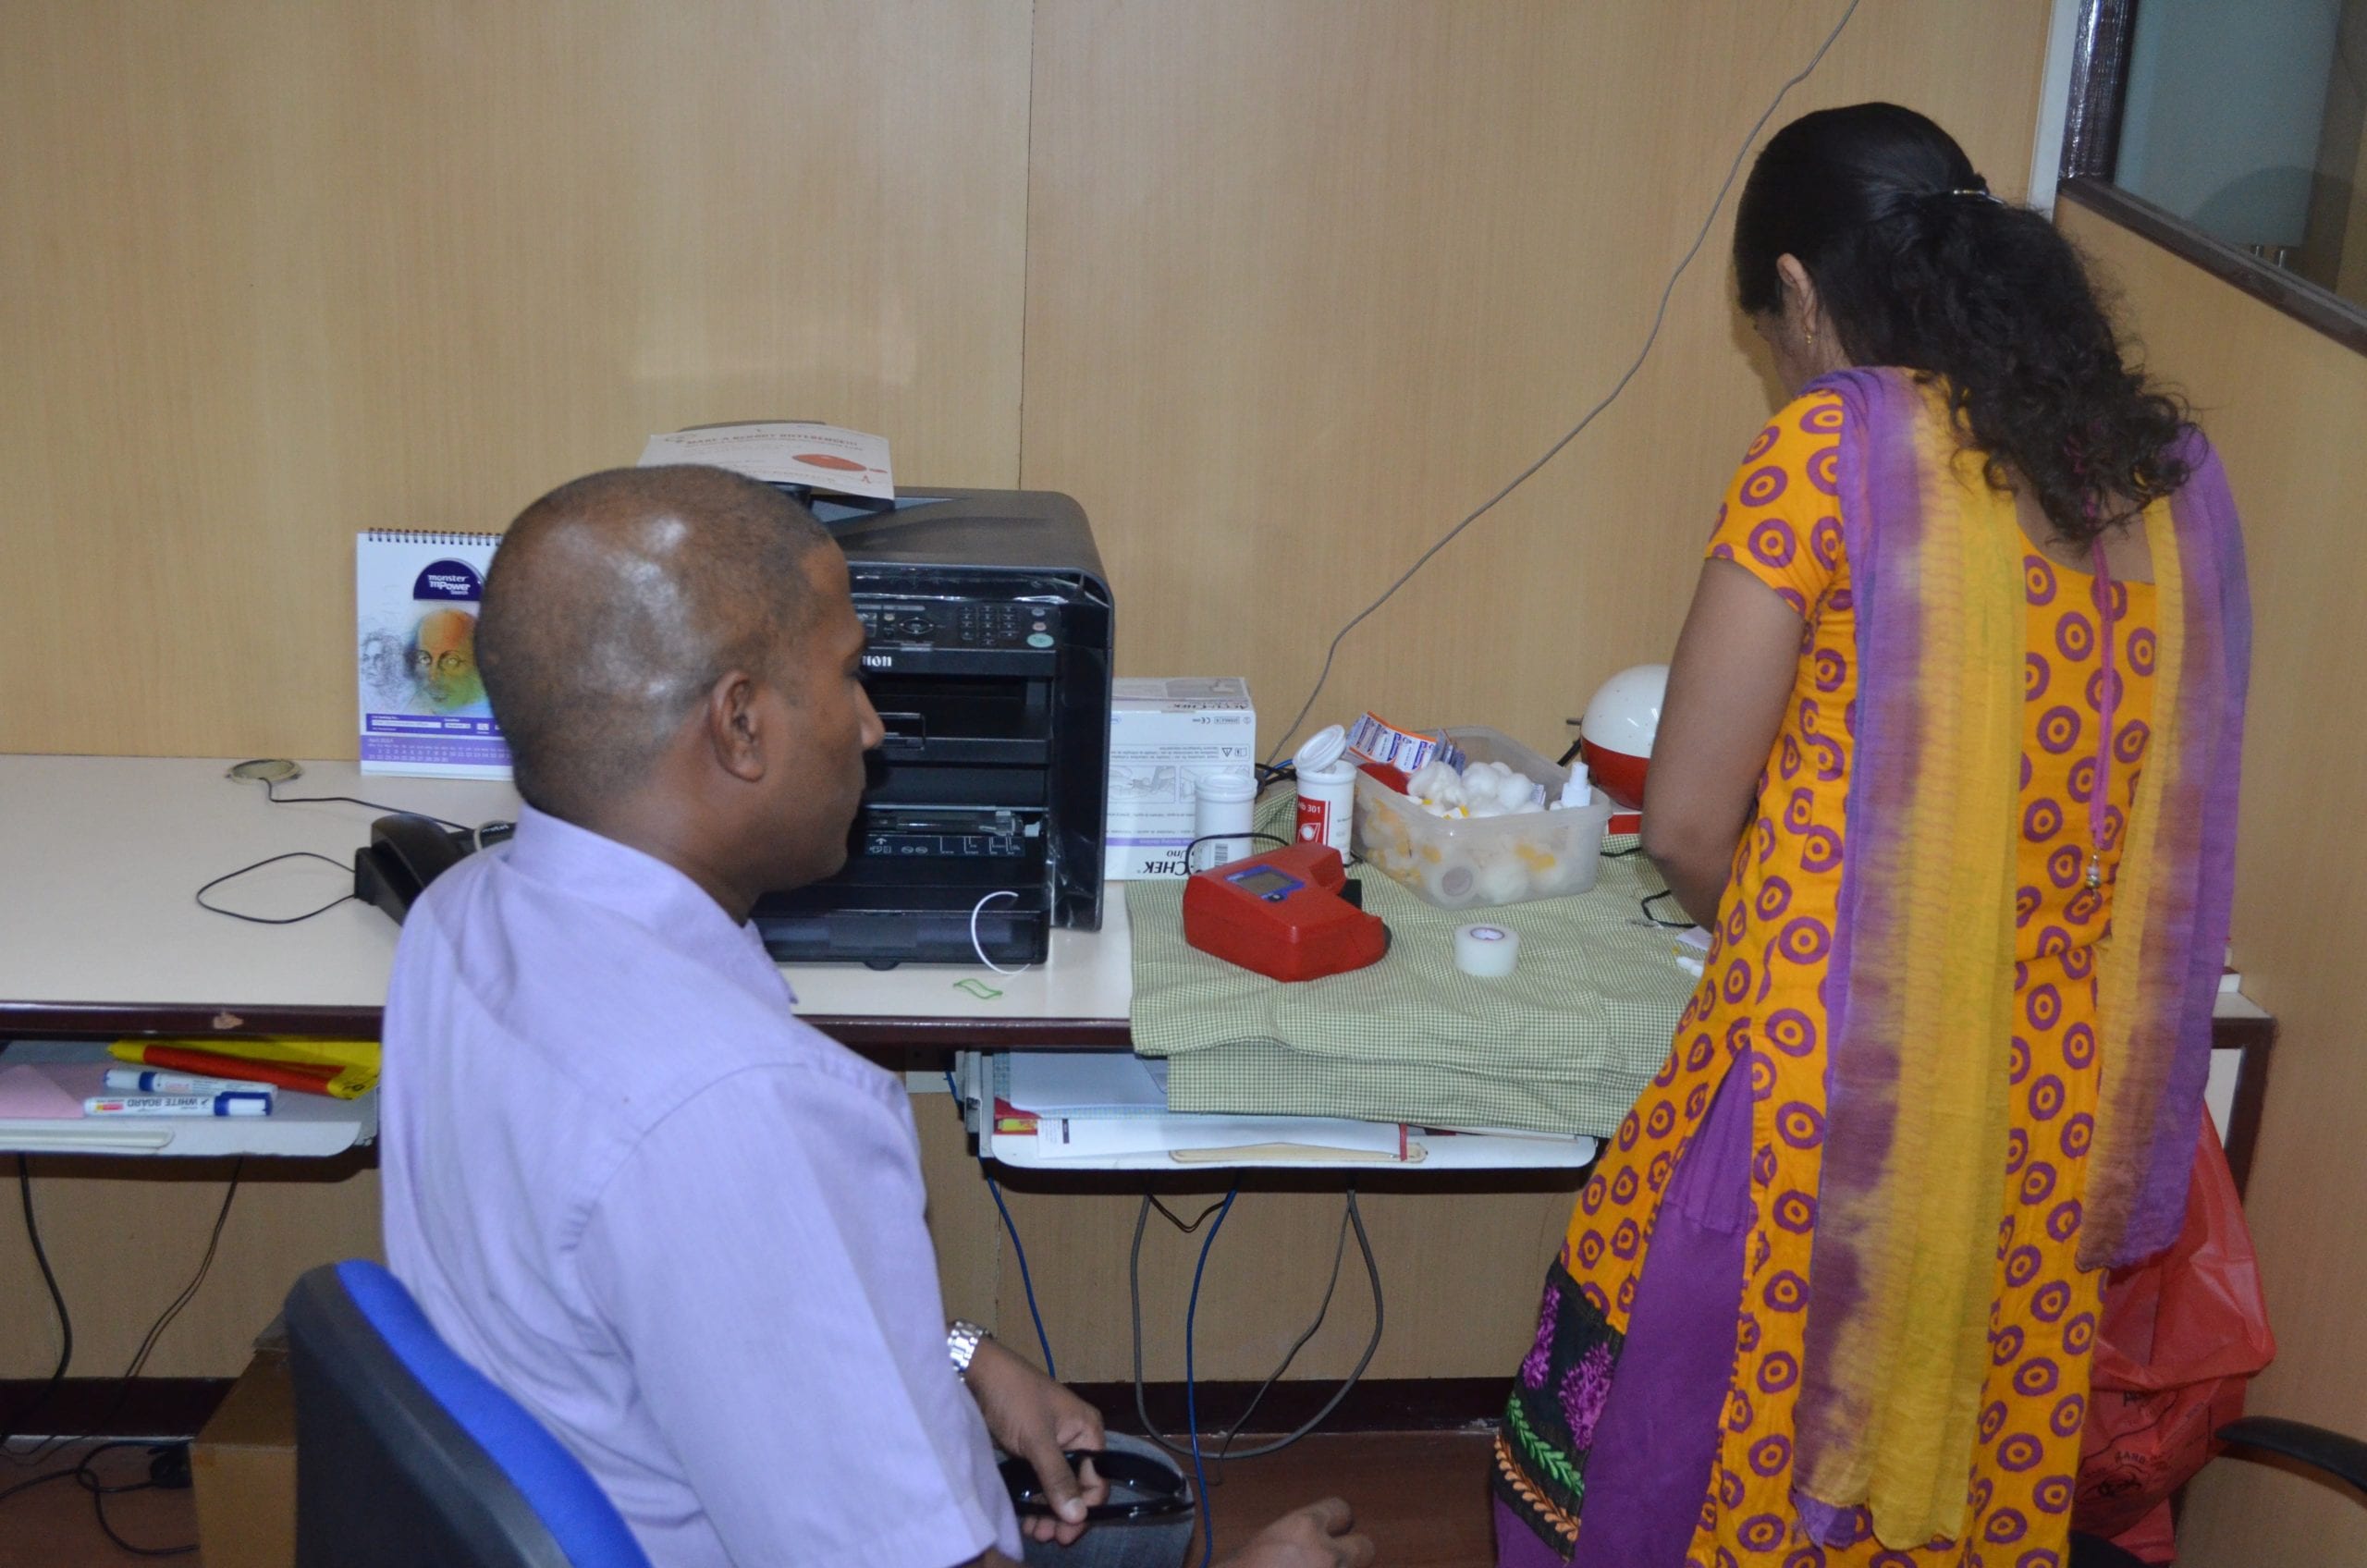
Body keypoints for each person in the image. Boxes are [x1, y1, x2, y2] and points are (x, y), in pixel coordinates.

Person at [1492, 104, 2249, 1567]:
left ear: (1795, 288)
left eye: (1766, 331)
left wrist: (1795, 930)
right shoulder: (2151, 478)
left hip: (1822, 1103)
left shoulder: (1832, 448)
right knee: (1955, 1471)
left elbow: (1689, 820)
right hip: (2046, 1120)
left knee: (1676, 1439)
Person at [378, 463, 1374, 1568]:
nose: (869, 726)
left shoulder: (458, 921)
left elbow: (705, 1303)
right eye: (851, 675)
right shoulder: (740, 1107)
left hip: (610, 1489)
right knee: (1193, 1529)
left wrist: (962, 1356)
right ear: (741, 723)